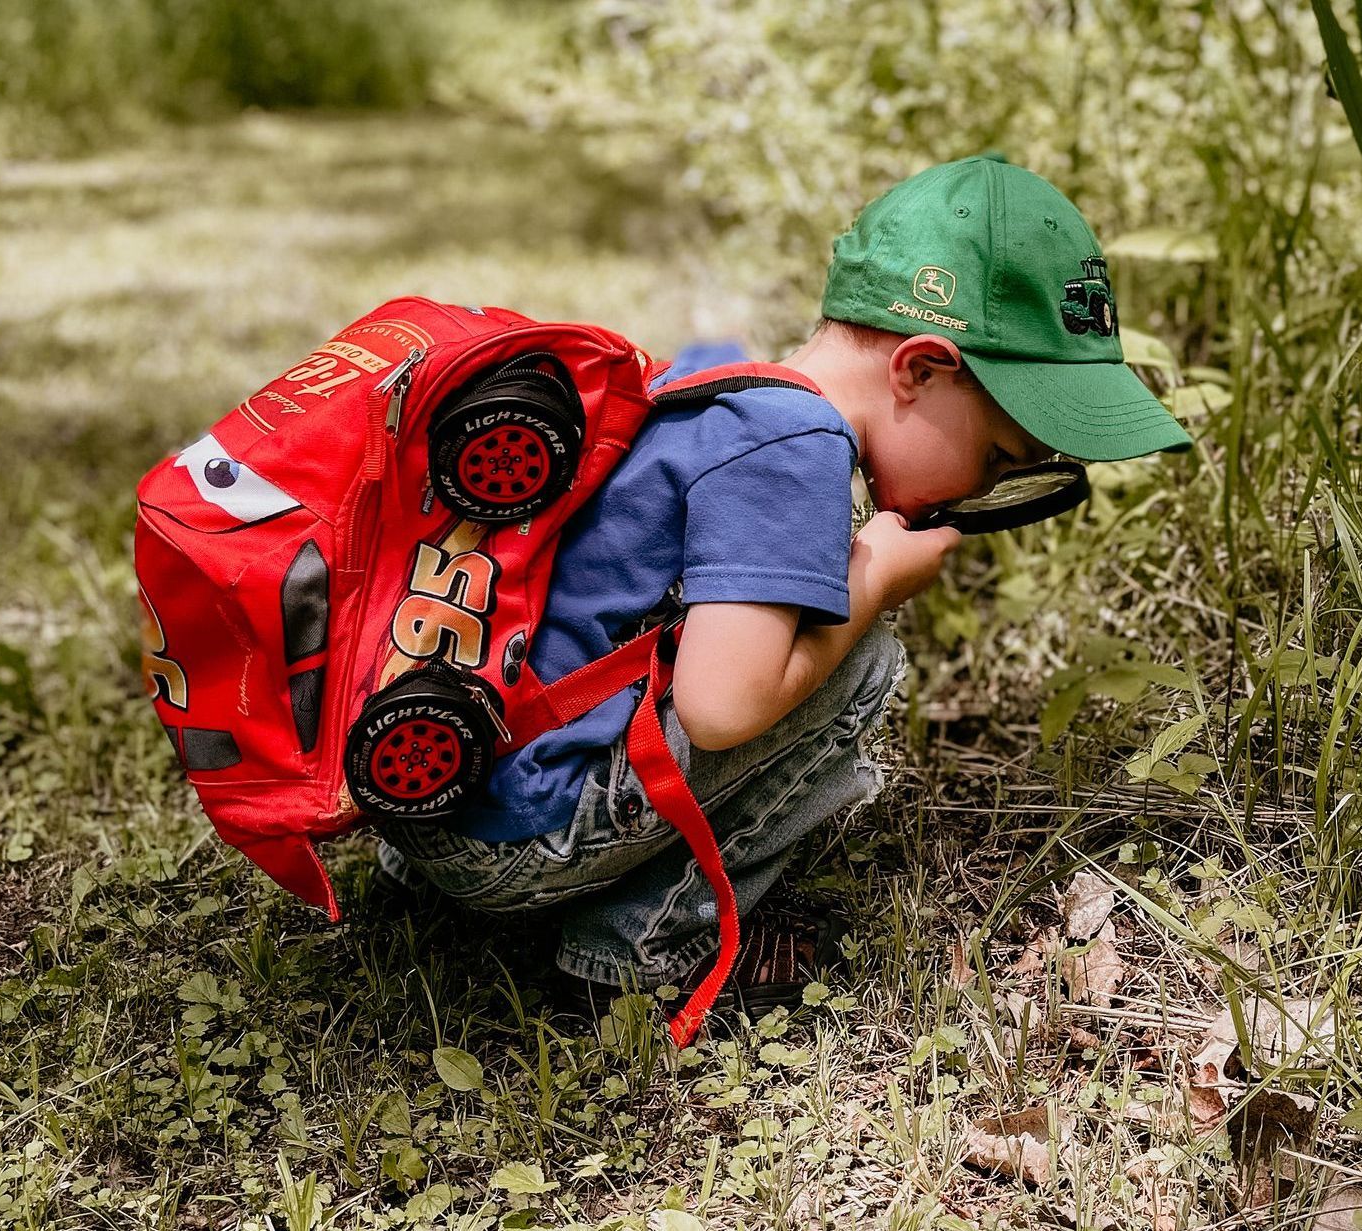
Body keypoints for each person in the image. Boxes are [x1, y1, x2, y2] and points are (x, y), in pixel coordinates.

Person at [372, 153, 1192, 1011]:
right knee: (863, 663)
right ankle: (638, 954)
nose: (979, 493)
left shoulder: (726, 392)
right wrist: (870, 580)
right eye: (994, 458)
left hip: (435, 798)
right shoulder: (797, 447)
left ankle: (423, 882)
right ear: (917, 369)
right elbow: (722, 708)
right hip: (512, 842)